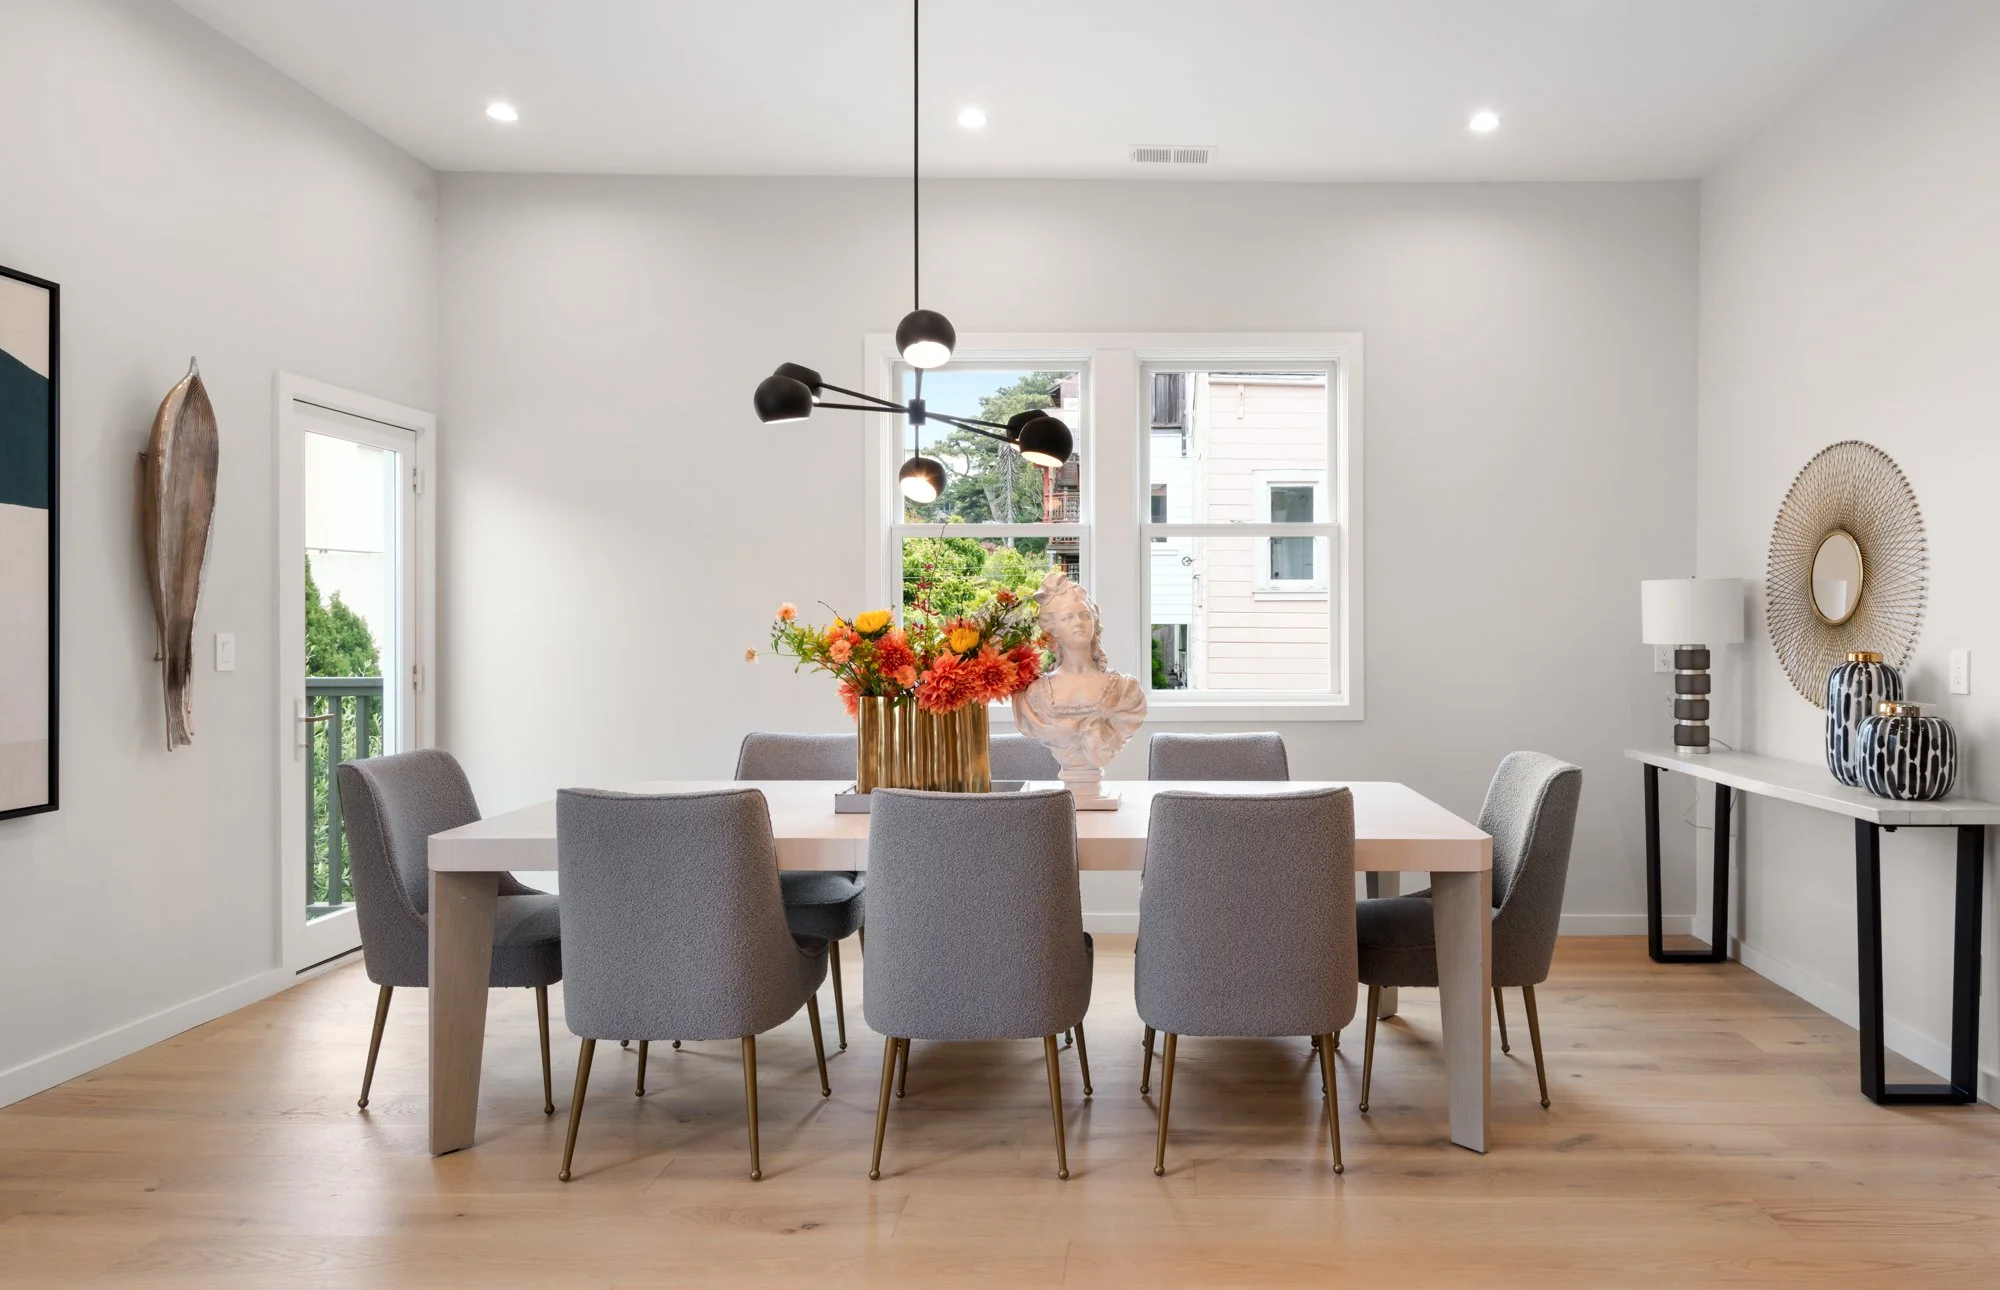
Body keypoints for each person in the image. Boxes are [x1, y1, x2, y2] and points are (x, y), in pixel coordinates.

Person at [1012, 569, 1146, 790]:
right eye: (1067, 617)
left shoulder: (1125, 691)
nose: (1079, 623)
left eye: (1084, 615)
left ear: (1094, 622)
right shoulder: (1033, 697)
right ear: (1052, 630)